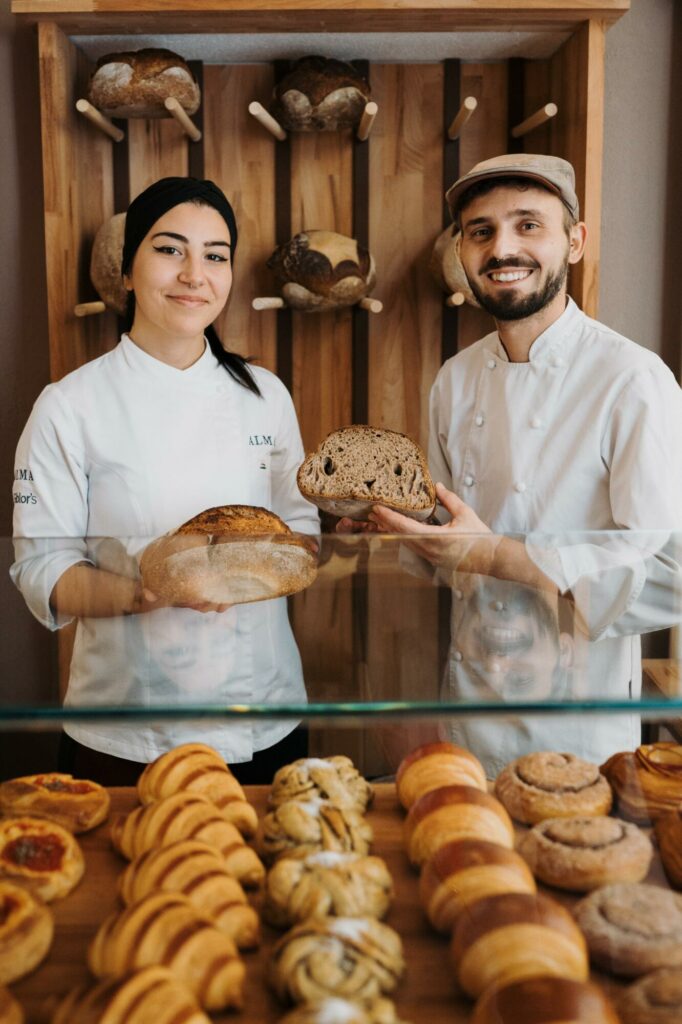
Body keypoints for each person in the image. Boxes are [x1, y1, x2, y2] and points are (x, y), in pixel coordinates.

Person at [343, 153, 682, 774]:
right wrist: (398, 530)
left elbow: (671, 573)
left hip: (578, 728)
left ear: (574, 242)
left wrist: (494, 554)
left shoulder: (632, 379)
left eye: (528, 225)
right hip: (468, 711)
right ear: (462, 251)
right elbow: (454, 547)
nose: (502, 248)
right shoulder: (455, 379)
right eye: (482, 231)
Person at [11, 176, 319, 784]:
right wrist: (145, 593)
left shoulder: (266, 396)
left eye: (215, 256)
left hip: (266, 711)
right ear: (127, 271)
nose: (194, 274)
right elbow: (42, 568)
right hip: (127, 728)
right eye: (170, 249)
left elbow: (300, 530)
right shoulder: (69, 405)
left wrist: (273, 563)